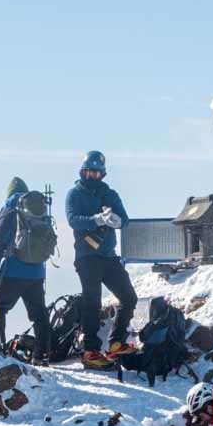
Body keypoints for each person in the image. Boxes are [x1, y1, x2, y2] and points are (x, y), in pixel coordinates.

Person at [65, 151, 139, 369]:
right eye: (91, 171)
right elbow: (73, 220)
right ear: (84, 170)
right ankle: (91, 351)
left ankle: (116, 342)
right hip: (87, 257)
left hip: (108, 256)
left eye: (98, 172)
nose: (95, 176)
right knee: (92, 301)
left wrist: (116, 221)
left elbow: (124, 220)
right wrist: (96, 220)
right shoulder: (74, 194)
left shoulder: (110, 194)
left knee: (128, 296)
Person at [0, 177, 53, 363]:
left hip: (13, 271)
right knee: (39, 314)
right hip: (37, 272)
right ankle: (42, 356)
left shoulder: (10, 208)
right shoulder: (38, 210)